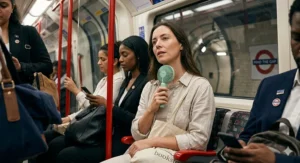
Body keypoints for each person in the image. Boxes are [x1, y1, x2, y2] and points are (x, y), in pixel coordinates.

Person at [102, 22, 215, 163]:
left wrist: (151, 142)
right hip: (146, 153)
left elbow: (199, 140)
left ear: (181, 45)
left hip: (177, 157)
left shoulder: (200, 87)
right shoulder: (150, 86)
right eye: (154, 42)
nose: (158, 45)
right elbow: (137, 134)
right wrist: (150, 110)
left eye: (165, 38)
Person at [224, 0, 300, 162]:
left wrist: (274, 160)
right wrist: (241, 150)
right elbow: (248, 134)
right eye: (297, 38)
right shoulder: (270, 85)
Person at [35, 42, 125, 163]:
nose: (98, 63)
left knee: (55, 146)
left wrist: (76, 90)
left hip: (97, 131)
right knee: (47, 137)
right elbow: (89, 109)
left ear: (114, 61)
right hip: (89, 124)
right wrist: (69, 118)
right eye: (98, 59)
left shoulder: (118, 81)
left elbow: (98, 108)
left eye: (102, 59)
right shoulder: (104, 80)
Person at [1, 0, 52, 84]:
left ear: (12, 8)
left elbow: (47, 66)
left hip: (19, 93)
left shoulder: (28, 32)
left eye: (3, 5)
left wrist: (21, 67)